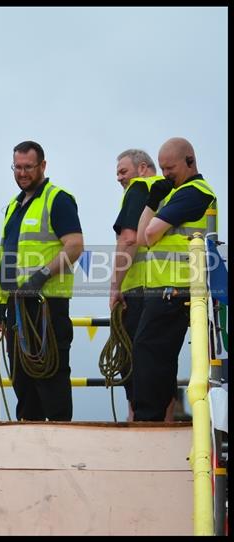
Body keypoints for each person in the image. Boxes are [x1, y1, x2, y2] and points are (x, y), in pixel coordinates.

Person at [0, 141, 84, 421]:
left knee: (51, 381)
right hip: (15, 309)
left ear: (42, 166)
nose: (22, 173)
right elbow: (8, 258)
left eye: (28, 167)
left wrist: (39, 278)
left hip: (46, 306)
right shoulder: (12, 206)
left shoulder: (58, 199)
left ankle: (59, 449)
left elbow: (75, 246)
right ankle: (28, 448)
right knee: (22, 383)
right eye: (17, 167)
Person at [132, 137, 217, 421]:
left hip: (177, 289)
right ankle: (156, 419)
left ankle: (149, 420)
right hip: (164, 290)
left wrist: (155, 210)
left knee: (149, 356)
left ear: (190, 162)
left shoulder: (193, 193)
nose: (165, 174)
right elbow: (143, 237)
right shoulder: (173, 194)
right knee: (154, 358)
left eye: (170, 168)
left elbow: (150, 234)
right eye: (163, 168)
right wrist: (152, 200)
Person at [109, 148, 175, 421]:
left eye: (123, 171)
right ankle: (168, 421)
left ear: (144, 168)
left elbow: (128, 239)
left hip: (138, 292)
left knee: (134, 363)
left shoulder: (139, 188)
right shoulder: (168, 192)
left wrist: (115, 286)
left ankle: (136, 424)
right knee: (162, 363)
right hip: (166, 288)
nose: (119, 178)